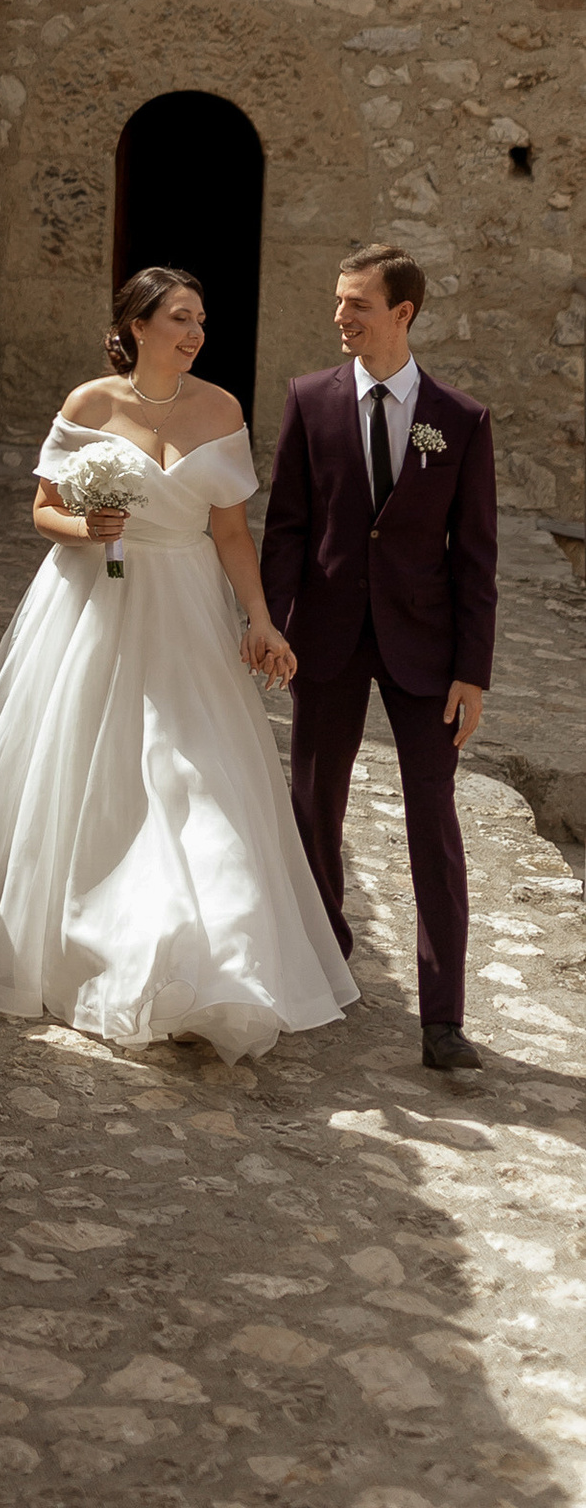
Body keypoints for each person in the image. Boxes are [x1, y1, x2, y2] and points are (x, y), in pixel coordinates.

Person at [0, 265, 357, 1060]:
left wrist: (261, 620)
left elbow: (231, 533)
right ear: (137, 326)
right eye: (179, 318)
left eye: (202, 319)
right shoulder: (89, 405)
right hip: (92, 603)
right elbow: (42, 510)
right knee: (86, 768)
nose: (195, 333)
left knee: (197, 776)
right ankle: (90, 932)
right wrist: (87, 531)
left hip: (189, 607)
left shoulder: (222, 408)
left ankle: (217, 963)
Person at [261, 244, 497, 1075]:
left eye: (357, 303)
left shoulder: (460, 420)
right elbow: (288, 525)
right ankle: (326, 952)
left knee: (433, 822)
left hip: (425, 652)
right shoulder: (309, 401)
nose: (340, 317)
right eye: (337, 301)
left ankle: (443, 1020)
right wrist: (273, 626)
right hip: (324, 637)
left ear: (403, 312)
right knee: (312, 807)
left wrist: (474, 670)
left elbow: (475, 558)